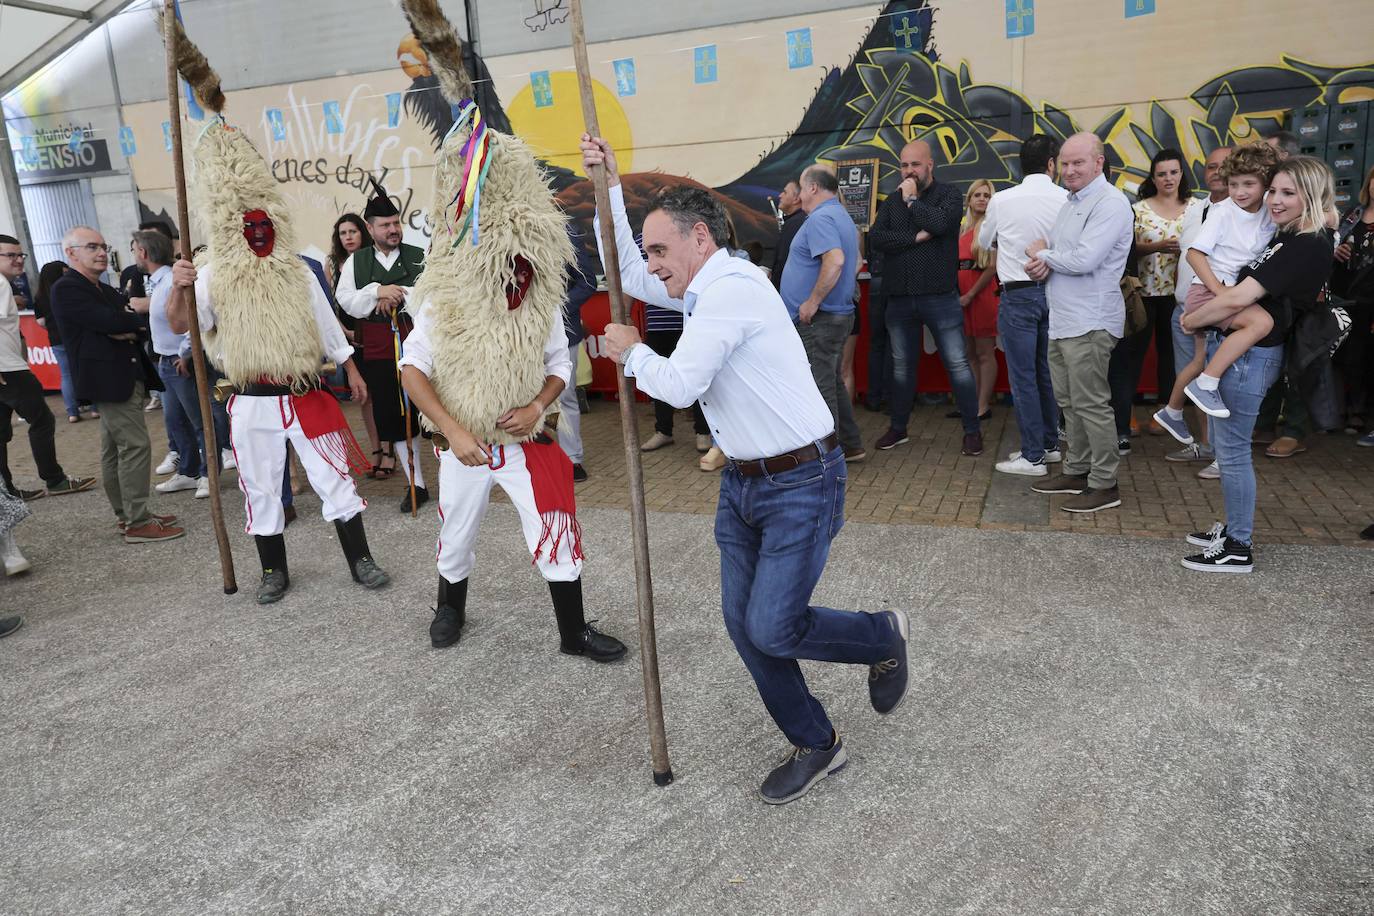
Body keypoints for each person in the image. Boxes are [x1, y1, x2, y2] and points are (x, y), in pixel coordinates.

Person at [584, 133, 910, 805]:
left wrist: (629, 350)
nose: (654, 267)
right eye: (651, 252)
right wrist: (609, 185)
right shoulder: (702, 285)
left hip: (802, 483)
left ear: (700, 238)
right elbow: (623, 267)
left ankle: (881, 634)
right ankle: (818, 744)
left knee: (772, 625)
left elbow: (677, 386)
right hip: (744, 486)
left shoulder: (730, 288)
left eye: (662, 251)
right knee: (747, 624)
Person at [395, 7, 625, 663]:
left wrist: (539, 404)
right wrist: (455, 430)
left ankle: (573, 632)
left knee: (555, 523)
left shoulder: (537, 288)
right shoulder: (442, 290)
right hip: (464, 443)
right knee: (458, 532)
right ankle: (450, 608)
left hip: (529, 438)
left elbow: (559, 362)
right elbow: (412, 371)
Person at [164, 25, 387, 602]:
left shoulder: (296, 267)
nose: (258, 232)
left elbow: (327, 326)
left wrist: (353, 370)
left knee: (335, 479)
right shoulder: (212, 273)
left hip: (306, 393)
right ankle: (273, 571)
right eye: (248, 226)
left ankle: (360, 559)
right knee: (261, 487)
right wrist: (181, 286)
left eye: (265, 224)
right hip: (250, 400)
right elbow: (181, 323)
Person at [1179, 157, 1337, 572]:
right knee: (1230, 449)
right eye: (1273, 191)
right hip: (1246, 349)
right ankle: (1234, 529)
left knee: (1231, 452)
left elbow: (1237, 298)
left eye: (1288, 193)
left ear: (1312, 196)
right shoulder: (1300, 235)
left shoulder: (1305, 243)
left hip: (1254, 355)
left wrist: (1194, 318)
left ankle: (1238, 546)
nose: (1275, 201)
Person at [1025, 132, 1134, 513]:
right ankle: (1077, 469)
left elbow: (1084, 259)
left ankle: (1105, 483)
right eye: (1066, 163)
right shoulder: (1072, 203)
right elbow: (1061, 258)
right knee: (1070, 402)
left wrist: (1045, 254)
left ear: (1099, 163)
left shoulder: (1111, 203)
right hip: (1065, 319)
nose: (1069, 170)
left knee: (1091, 404)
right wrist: (1043, 262)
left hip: (1090, 321)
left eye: (1078, 163)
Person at [50, 227, 175, 541]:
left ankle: (128, 515)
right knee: (134, 446)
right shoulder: (68, 288)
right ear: (71, 252)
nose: (102, 252)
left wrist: (125, 325)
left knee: (115, 449)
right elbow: (113, 321)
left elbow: (132, 321)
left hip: (122, 375)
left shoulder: (101, 289)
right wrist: (121, 323)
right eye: (92, 247)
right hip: (108, 379)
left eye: (103, 246)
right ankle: (137, 521)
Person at [1154, 143, 1280, 442]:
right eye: (1233, 184)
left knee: (1198, 360)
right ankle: (1206, 384)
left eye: (1249, 184)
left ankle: (1171, 412)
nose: (1240, 191)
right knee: (1260, 323)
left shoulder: (1268, 210)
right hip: (1207, 292)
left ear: (1266, 185)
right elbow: (1194, 254)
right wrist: (1221, 292)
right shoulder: (1222, 213)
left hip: (1228, 293)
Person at [870, 140, 984, 456]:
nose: (909, 171)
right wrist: (915, 237)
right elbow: (878, 239)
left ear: (929, 165)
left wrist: (911, 203)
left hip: (940, 296)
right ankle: (898, 428)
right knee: (902, 368)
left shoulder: (948, 195)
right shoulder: (890, 201)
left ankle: (972, 430)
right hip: (900, 298)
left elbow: (941, 224)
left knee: (958, 364)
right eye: (904, 165)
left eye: (915, 165)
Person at [335, 184, 429, 511]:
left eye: (396, 223)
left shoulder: (420, 256)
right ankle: (416, 485)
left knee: (430, 410)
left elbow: (435, 295)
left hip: (419, 343)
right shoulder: (356, 262)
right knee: (392, 414)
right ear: (371, 228)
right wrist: (377, 291)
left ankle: (462, 476)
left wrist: (400, 292)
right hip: (377, 348)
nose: (393, 229)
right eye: (385, 225)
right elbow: (345, 299)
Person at [984, 135, 1068, 476]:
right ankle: (1049, 446)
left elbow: (982, 240)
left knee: (1023, 377)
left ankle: (1033, 455)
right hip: (1057, 292)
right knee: (1046, 373)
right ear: (1051, 163)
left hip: (1017, 293)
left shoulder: (1002, 200)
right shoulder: (1067, 198)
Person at [1111, 148, 1199, 454]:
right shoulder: (1138, 208)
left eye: (1174, 172)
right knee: (1131, 355)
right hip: (1142, 292)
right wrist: (1158, 246)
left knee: (1172, 356)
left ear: (1182, 174)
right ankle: (1128, 412)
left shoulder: (1197, 207)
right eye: (1161, 174)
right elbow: (1125, 247)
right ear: (1153, 177)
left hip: (1182, 296)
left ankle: (1166, 410)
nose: (1168, 179)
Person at [0, 234, 95, 502]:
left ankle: (6, 491)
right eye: (11, 255)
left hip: (7, 367)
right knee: (42, 420)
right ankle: (54, 479)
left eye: (21, 255)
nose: (18, 260)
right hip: (9, 369)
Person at [780, 164, 865, 462]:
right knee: (831, 380)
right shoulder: (840, 216)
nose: (800, 195)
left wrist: (812, 301)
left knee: (820, 385)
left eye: (802, 188)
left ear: (813, 188)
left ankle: (826, 456)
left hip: (820, 318)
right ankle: (851, 445)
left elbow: (836, 260)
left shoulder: (821, 218)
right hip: (834, 316)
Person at [1165, 145, 1232, 475]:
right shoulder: (1195, 209)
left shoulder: (1243, 212)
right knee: (1194, 383)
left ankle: (1224, 456)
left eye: (1224, 165)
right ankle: (1207, 447)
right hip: (1184, 310)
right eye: (1211, 166)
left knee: (1218, 384)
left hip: (1221, 312)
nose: (1216, 171)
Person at [133, 229, 211, 501]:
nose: (134, 256)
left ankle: (207, 473)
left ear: (143, 253)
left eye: (134, 250)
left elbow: (191, 320)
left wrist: (186, 353)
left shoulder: (170, 281)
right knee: (175, 421)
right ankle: (188, 471)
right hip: (165, 362)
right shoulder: (160, 280)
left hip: (178, 362)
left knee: (197, 421)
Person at [326, 213, 382, 472]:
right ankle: (376, 448)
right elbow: (327, 307)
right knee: (365, 397)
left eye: (353, 232)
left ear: (363, 232)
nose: (348, 237)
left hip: (374, 333)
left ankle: (390, 447)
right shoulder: (332, 264)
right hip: (348, 335)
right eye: (343, 233)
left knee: (383, 394)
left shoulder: (373, 258)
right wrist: (344, 334)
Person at [1333, 165, 1374, 443]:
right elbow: (1330, 245)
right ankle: (1349, 410)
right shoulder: (1352, 214)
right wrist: (1336, 250)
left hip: (1372, 297)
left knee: (1368, 356)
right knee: (1348, 355)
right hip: (1347, 294)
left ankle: (1362, 411)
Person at [557, 234, 601, 483]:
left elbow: (586, 281)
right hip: (519, 336)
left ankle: (572, 458)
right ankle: (530, 457)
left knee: (566, 396)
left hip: (563, 331)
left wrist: (557, 308)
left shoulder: (567, 231)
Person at [957, 179, 999, 420]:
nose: (982, 199)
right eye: (977, 195)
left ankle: (983, 406)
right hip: (963, 297)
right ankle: (973, 402)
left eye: (987, 195)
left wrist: (971, 294)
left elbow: (992, 267)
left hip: (981, 295)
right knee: (970, 353)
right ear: (970, 200)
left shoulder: (991, 227)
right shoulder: (963, 229)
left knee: (984, 353)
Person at [32, 261, 85, 423]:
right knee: (84, 370)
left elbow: (40, 322)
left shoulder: (40, 296)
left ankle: (72, 412)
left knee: (66, 375)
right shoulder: (69, 291)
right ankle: (95, 408)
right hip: (76, 336)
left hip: (56, 339)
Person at [770, 179, 805, 292]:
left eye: (785, 192)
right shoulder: (796, 221)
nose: (780, 195)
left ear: (796, 199)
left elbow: (783, 260)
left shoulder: (794, 224)